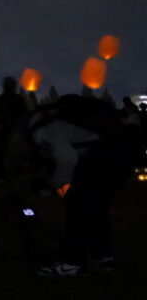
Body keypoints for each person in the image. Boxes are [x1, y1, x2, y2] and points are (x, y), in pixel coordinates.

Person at [31, 95, 140, 277]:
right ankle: (101, 257)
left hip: (104, 155)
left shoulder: (44, 129)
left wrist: (57, 189)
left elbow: (67, 160)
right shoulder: (73, 121)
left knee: (77, 207)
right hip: (118, 153)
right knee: (97, 207)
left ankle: (73, 262)